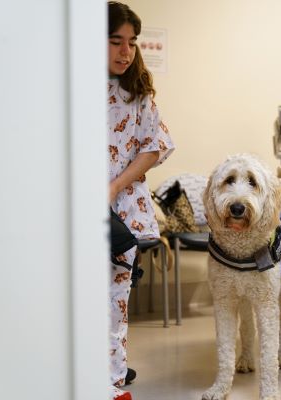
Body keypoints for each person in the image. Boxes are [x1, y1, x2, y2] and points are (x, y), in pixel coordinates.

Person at [107, 2, 175, 400]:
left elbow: (156, 146)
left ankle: (113, 383)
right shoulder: (72, 88)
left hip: (123, 210)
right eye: (116, 41)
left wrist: (115, 186)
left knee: (116, 299)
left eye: (131, 42)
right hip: (74, 207)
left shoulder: (138, 93)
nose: (125, 51)